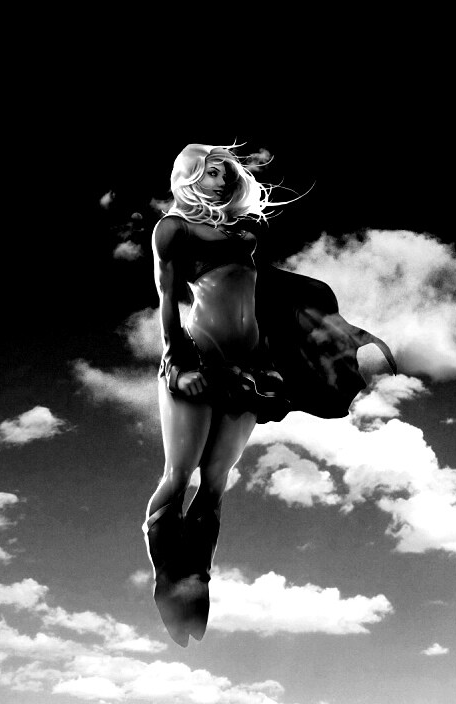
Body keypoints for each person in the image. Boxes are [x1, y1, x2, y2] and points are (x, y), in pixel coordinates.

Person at [144, 143, 396, 647]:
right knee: (179, 475)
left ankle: (197, 581)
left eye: (226, 171)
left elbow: (266, 292)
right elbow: (166, 297)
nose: (220, 178)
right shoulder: (172, 229)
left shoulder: (241, 233)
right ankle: (169, 580)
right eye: (210, 171)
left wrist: (312, 337)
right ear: (189, 175)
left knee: (215, 482)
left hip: (251, 369)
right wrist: (179, 362)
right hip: (198, 359)